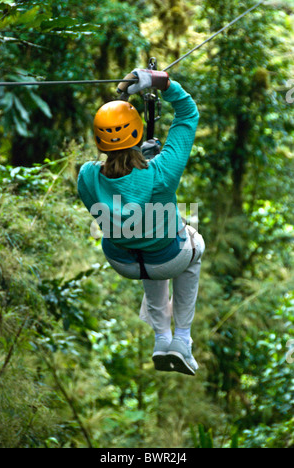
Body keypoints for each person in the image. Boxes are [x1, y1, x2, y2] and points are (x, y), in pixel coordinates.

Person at [78, 69, 205, 376]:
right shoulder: (161, 173)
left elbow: (113, 169)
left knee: (148, 246)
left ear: (99, 139)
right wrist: (162, 82)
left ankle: (161, 340)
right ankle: (182, 340)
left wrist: (122, 95)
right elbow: (188, 114)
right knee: (193, 243)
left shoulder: (86, 176)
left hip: (122, 261)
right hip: (168, 259)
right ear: (136, 133)